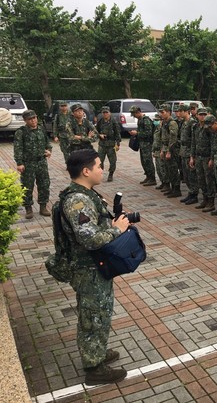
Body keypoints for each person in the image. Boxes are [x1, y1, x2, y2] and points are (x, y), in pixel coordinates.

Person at [60, 149, 129, 385]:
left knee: (99, 313)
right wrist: (116, 230)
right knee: (93, 316)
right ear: (86, 171)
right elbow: (88, 238)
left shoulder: (85, 194)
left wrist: (110, 223)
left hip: (95, 267)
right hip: (88, 270)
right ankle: (94, 369)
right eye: (99, 166)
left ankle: (97, 351)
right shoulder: (77, 201)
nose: (102, 169)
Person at [14, 110, 52, 219]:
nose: (33, 120)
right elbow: (18, 148)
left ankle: (43, 206)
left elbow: (47, 142)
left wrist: (49, 150)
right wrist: (19, 163)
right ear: (25, 120)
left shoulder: (41, 129)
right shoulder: (21, 132)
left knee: (44, 184)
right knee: (27, 186)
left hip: (41, 162)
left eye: (34, 118)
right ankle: (28, 208)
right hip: (28, 164)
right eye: (30, 119)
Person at [191, 107, 215, 211]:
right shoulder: (195, 126)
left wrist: (211, 158)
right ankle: (205, 199)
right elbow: (193, 142)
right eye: (200, 114)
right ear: (197, 115)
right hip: (198, 156)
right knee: (201, 179)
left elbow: (213, 143)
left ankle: (211, 201)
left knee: (209, 179)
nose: (202, 116)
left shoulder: (208, 128)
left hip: (207, 157)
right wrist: (192, 157)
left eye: (204, 115)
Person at [130, 106, 156, 186]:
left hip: (147, 144)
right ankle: (148, 176)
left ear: (138, 112)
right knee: (144, 161)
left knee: (148, 161)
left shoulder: (146, 120)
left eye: (134, 114)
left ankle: (152, 178)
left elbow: (149, 133)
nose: (133, 116)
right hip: (142, 144)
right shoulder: (140, 120)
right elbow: (141, 130)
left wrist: (137, 133)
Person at [178, 104, 199, 205]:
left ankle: (194, 194)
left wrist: (192, 155)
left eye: (181, 111)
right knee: (186, 175)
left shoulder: (192, 122)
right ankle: (190, 192)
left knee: (191, 175)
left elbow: (194, 139)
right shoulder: (183, 122)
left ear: (187, 112)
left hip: (189, 150)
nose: (179, 113)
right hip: (183, 151)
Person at [158, 104, 181, 197]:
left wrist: (169, 151)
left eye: (162, 112)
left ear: (168, 112)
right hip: (165, 147)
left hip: (172, 149)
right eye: (160, 112)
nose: (161, 114)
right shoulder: (164, 122)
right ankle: (172, 188)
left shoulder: (172, 123)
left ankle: (177, 189)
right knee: (168, 169)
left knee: (173, 169)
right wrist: (162, 150)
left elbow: (173, 138)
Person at [96, 106, 121, 182]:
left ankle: (111, 174)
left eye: (106, 112)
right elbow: (96, 131)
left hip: (111, 145)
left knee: (113, 161)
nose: (105, 114)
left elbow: (117, 132)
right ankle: (99, 174)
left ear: (109, 113)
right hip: (102, 145)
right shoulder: (100, 121)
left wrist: (118, 143)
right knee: (99, 161)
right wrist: (99, 135)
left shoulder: (113, 121)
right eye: (104, 112)